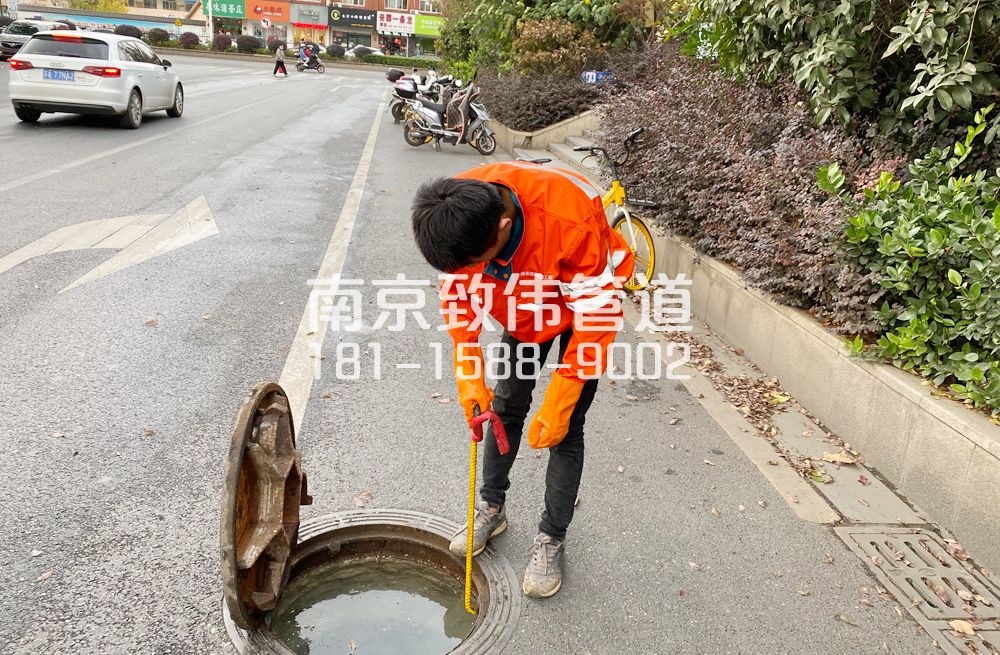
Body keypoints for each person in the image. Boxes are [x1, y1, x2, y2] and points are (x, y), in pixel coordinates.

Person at [411, 163, 634, 599]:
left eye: (478, 262)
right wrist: (469, 370)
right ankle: (491, 508)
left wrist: (562, 396)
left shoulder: (569, 218)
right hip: (522, 312)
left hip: (580, 312)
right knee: (505, 408)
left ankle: (552, 537)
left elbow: (599, 315)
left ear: (505, 226)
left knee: (564, 430)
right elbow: (456, 291)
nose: (469, 271)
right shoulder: (455, 206)